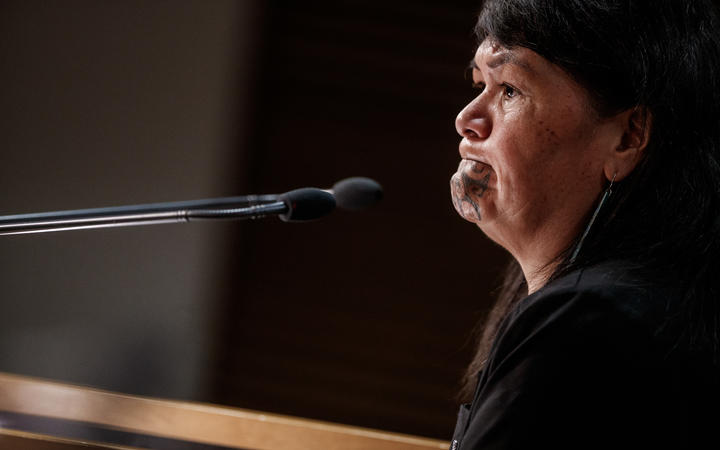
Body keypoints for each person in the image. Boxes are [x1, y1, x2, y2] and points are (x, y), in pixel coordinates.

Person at [449, 0, 720, 448]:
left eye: (510, 89)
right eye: (480, 83)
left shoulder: (588, 322)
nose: (468, 120)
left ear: (629, 136)